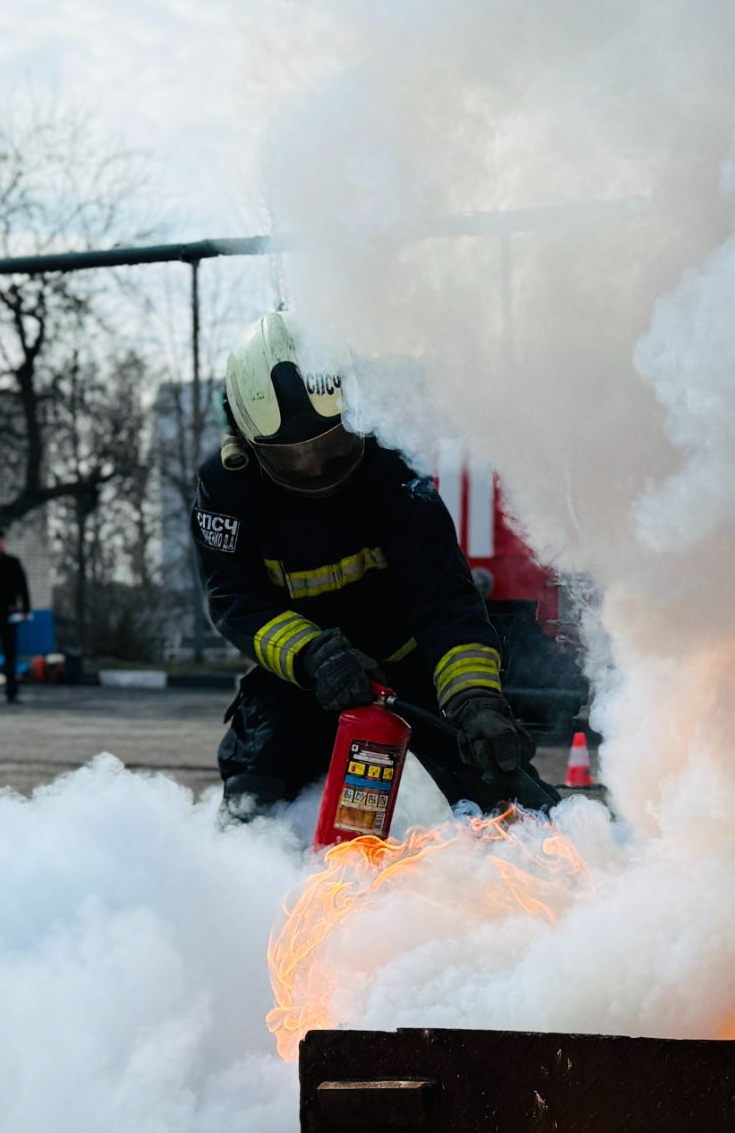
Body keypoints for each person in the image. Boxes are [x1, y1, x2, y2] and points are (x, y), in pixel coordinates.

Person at [192, 312, 558, 819]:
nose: (315, 466)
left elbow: (447, 605)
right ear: (252, 445)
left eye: (328, 444)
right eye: (292, 457)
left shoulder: (395, 473)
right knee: (257, 800)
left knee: (499, 790)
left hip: (408, 670)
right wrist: (312, 655)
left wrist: (476, 703)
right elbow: (236, 601)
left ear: (356, 416)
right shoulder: (226, 488)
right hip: (301, 681)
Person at [0, 525, 30, 707]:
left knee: (10, 655)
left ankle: (11, 693)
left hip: (8, 614)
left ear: (3, 543)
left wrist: (26, 610)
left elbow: (23, 588)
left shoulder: (13, 563)